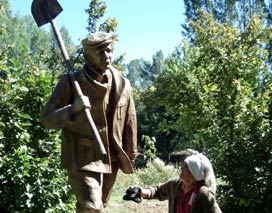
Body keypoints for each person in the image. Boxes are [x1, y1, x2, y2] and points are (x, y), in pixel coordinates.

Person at [41, 32, 137, 212]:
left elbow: (130, 121)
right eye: (100, 52)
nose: (106, 56)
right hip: (81, 156)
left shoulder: (122, 84)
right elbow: (47, 118)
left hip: (111, 157)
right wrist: (72, 109)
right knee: (93, 207)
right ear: (87, 55)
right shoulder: (71, 81)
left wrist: (131, 152)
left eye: (108, 50)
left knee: (94, 207)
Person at [123, 150, 222, 213]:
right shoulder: (175, 184)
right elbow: (158, 190)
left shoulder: (203, 193)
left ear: (194, 173)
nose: (181, 168)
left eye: (186, 167)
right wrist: (141, 191)